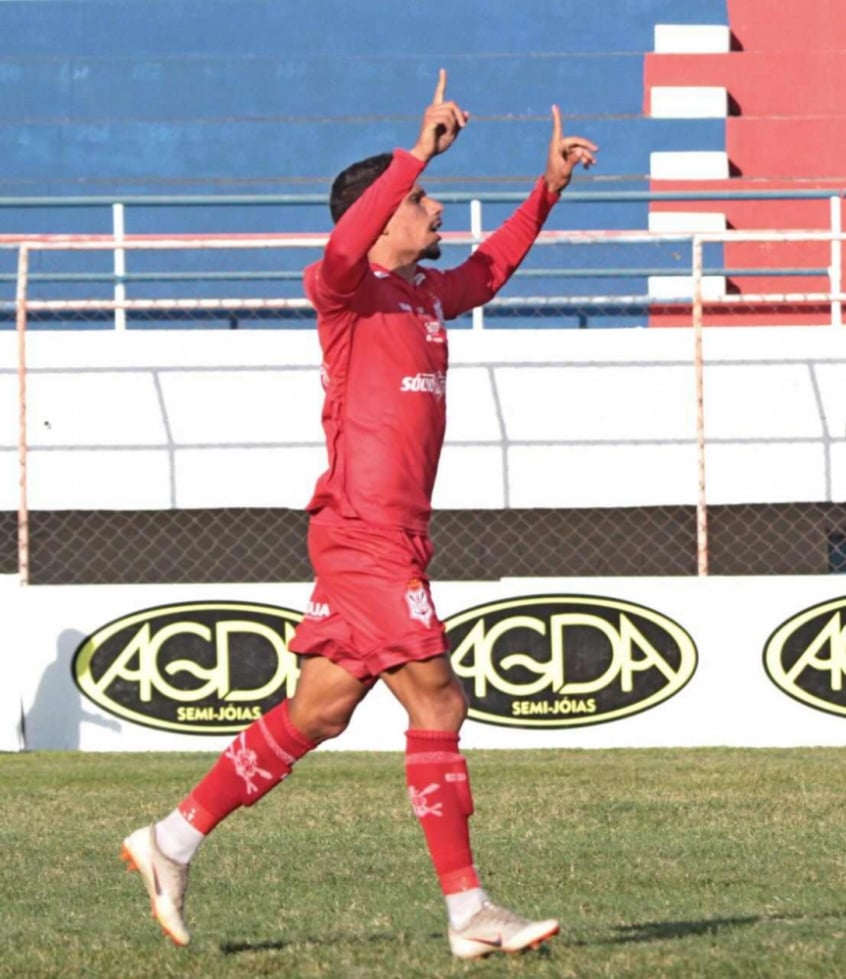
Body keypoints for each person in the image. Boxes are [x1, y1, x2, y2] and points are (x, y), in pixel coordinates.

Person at [121, 69, 597, 960]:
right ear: (377, 218)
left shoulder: (423, 294)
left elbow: (486, 272)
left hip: (391, 537)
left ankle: (171, 840)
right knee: (439, 701)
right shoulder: (341, 287)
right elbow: (345, 248)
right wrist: (412, 148)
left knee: (319, 711)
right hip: (363, 536)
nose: (435, 210)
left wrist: (547, 191)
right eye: (419, 201)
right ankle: (469, 912)